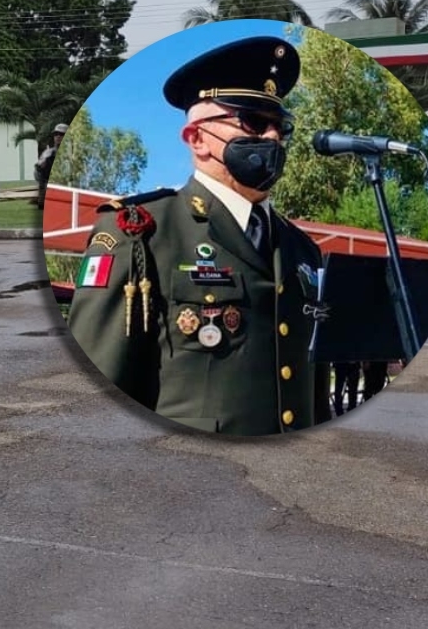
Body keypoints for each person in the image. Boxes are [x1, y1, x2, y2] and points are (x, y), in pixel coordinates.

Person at [66, 35, 331, 436]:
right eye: (254, 122)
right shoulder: (141, 232)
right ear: (197, 139)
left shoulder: (302, 249)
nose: (273, 138)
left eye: (281, 127)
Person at [34, 123, 69, 208]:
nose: (58, 136)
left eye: (61, 134)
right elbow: (37, 175)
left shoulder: (72, 153)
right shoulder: (48, 153)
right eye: (56, 134)